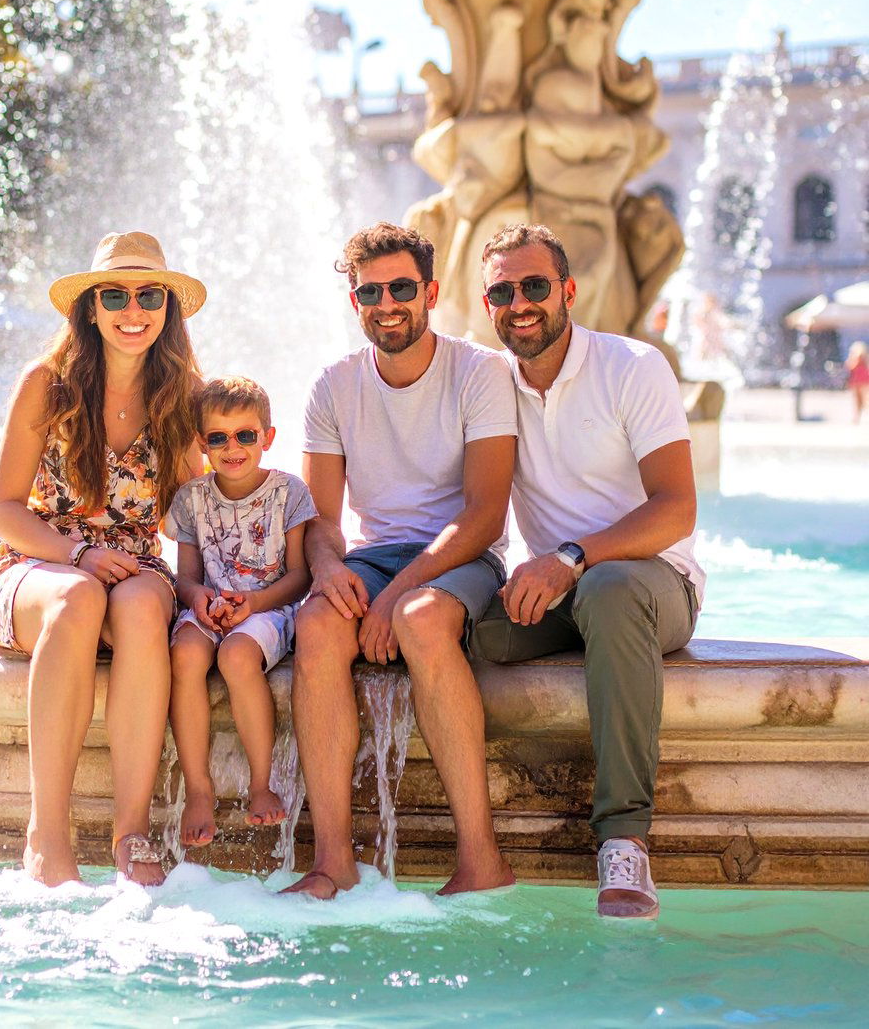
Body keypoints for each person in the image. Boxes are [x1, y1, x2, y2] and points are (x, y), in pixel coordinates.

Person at [472, 222, 701, 919]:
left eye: (536, 286)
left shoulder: (633, 365)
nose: (521, 303)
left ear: (568, 290)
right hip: (559, 595)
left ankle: (624, 840)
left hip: (649, 582)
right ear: (488, 306)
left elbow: (677, 508)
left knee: (607, 588)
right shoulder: (487, 386)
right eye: (503, 291)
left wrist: (572, 556)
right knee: (455, 629)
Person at [285, 221, 518, 900]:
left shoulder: (480, 373)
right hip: (375, 557)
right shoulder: (332, 386)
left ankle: (481, 861)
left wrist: (392, 598)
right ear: (354, 302)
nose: (386, 303)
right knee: (320, 625)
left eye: (401, 288)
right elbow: (321, 522)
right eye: (370, 292)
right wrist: (330, 573)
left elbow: (484, 516)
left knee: (418, 621)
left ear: (431, 292)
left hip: (461, 557)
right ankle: (333, 861)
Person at [0, 231, 205, 888]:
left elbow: (193, 512)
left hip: (134, 566)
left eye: (149, 296)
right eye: (115, 295)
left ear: (168, 307)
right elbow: (4, 509)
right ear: (90, 307)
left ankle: (130, 832)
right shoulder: (46, 385)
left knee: (137, 611)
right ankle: (47, 834)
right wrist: (79, 552)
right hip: (40, 561)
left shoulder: (182, 394)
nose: (132, 309)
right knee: (78, 599)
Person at [165, 375, 316, 846]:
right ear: (201, 443)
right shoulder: (190, 500)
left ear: (267, 438)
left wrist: (253, 603)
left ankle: (260, 783)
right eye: (218, 438)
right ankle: (199, 789)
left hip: (269, 607)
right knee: (186, 656)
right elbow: (185, 576)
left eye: (245, 435)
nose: (233, 448)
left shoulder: (289, 493)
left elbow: (301, 576)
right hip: (209, 604)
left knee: (235, 657)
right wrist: (198, 600)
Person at [846, 341, 869, 423]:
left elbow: (850, 366)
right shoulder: (859, 358)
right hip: (858, 382)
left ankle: (857, 417)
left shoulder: (860, 358)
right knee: (859, 401)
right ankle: (856, 417)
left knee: (863, 400)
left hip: (862, 382)